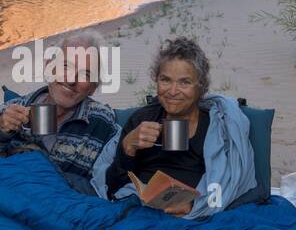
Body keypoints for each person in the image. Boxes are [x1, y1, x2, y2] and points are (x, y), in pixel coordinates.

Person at [92, 36, 257, 217]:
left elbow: (228, 187)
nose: (172, 91)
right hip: (138, 210)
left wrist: (194, 205)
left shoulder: (216, 129)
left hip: (193, 219)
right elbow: (111, 188)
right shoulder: (143, 119)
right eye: (165, 80)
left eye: (184, 82)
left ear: (200, 87)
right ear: (156, 81)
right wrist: (127, 148)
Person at [0, 30, 119, 195]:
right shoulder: (13, 110)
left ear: (94, 87)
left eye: (85, 74)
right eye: (66, 66)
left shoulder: (101, 121)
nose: (71, 79)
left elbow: (111, 185)